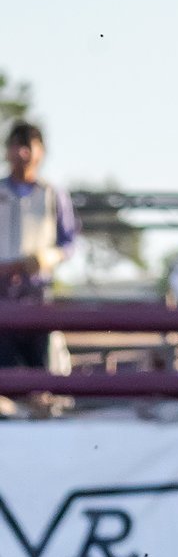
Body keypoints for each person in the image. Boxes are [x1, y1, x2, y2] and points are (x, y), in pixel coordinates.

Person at [1, 122, 77, 375]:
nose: (22, 153)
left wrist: (45, 258)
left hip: (37, 294)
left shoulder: (52, 194)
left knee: (40, 372)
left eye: (28, 145)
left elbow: (68, 242)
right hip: (1, 296)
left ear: (40, 152)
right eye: (16, 145)